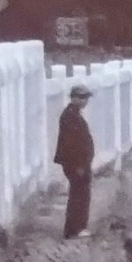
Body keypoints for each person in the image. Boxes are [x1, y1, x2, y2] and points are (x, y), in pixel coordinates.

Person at [55, 83, 95, 239]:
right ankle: (75, 228)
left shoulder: (74, 115)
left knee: (81, 193)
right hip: (76, 164)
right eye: (82, 97)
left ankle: (77, 227)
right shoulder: (70, 117)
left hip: (80, 163)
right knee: (79, 194)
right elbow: (71, 144)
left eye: (86, 98)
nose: (85, 101)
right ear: (74, 98)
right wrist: (79, 164)